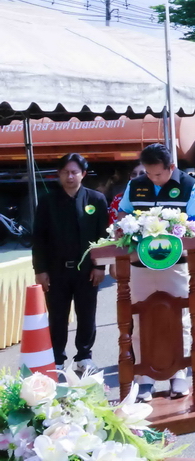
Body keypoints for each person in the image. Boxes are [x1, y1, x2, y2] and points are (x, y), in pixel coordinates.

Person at [118, 143, 195, 402]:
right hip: (140, 264)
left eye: (158, 174)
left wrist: (172, 227)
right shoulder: (135, 185)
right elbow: (123, 213)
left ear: (171, 167)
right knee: (140, 320)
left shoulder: (190, 186)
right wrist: (132, 226)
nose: (153, 178)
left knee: (180, 319)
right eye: (148, 173)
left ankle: (178, 375)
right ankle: (144, 379)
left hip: (176, 264)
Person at [32, 153, 108, 373]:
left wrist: (100, 266)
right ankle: (56, 358)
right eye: (65, 172)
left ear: (83, 174)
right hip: (56, 270)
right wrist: (40, 270)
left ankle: (84, 356)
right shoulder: (47, 201)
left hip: (87, 270)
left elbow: (103, 236)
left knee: (87, 314)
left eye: (74, 172)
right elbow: (39, 238)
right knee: (57, 316)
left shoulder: (96, 199)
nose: (70, 176)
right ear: (59, 174)